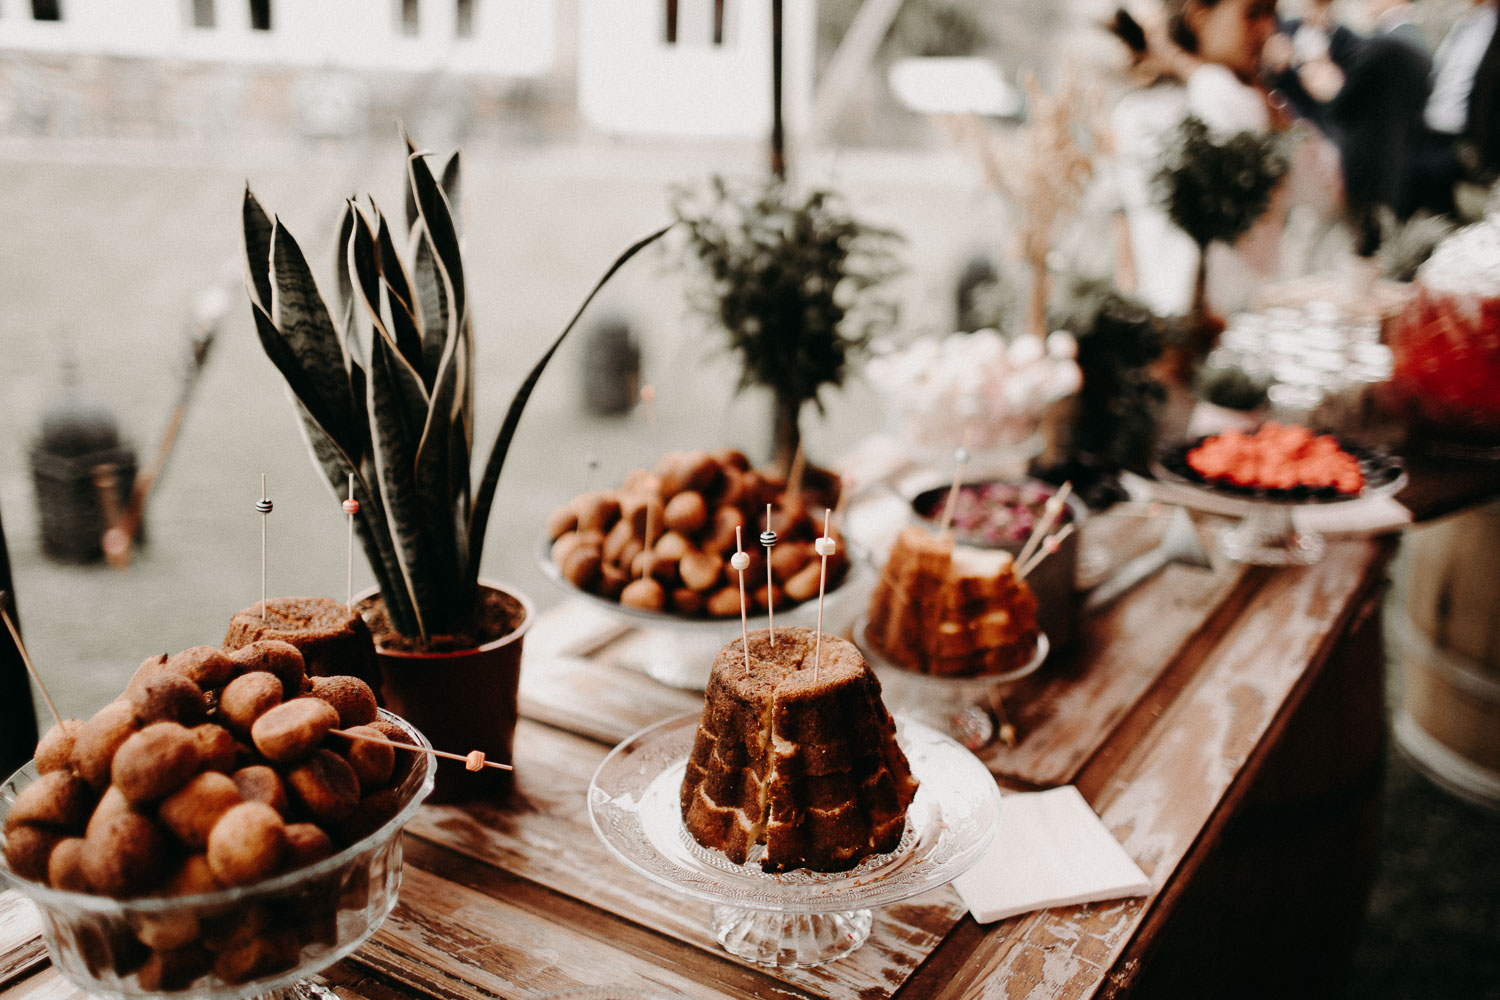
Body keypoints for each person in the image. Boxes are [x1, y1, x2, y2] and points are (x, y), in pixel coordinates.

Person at [1109, 0, 1287, 317]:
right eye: (1253, 13)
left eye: (1273, 15)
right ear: (1199, 16)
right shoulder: (1146, 110)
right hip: (1180, 317)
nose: (1268, 29)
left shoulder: (1242, 100)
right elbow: (1124, 215)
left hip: (1229, 319)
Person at [1264, 0, 1434, 250]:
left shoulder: (1364, 43)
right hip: (1381, 165)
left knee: (1331, 241)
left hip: (1350, 160)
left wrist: (1317, 75)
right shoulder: (1283, 31)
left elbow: (1342, 101)